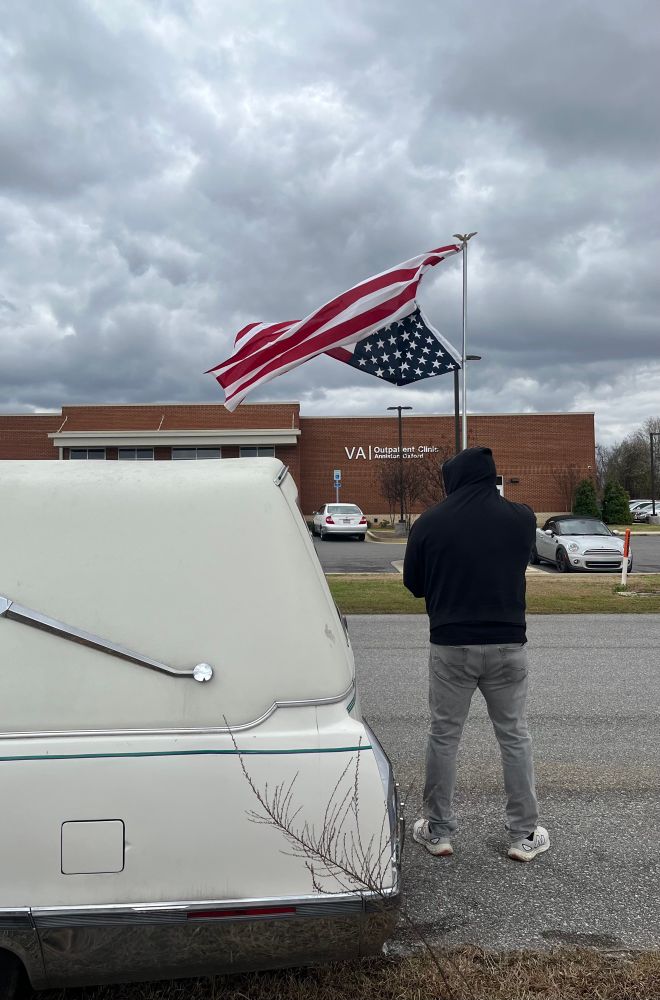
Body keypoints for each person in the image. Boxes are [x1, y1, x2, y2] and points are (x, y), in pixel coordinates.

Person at [403, 445, 549, 862]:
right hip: (508, 643)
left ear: (453, 479)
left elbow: (414, 584)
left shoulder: (430, 522)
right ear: (490, 476)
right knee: (515, 735)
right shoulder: (520, 517)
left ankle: (439, 830)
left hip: (451, 644)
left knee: (444, 736)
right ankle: (524, 833)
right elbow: (519, 558)